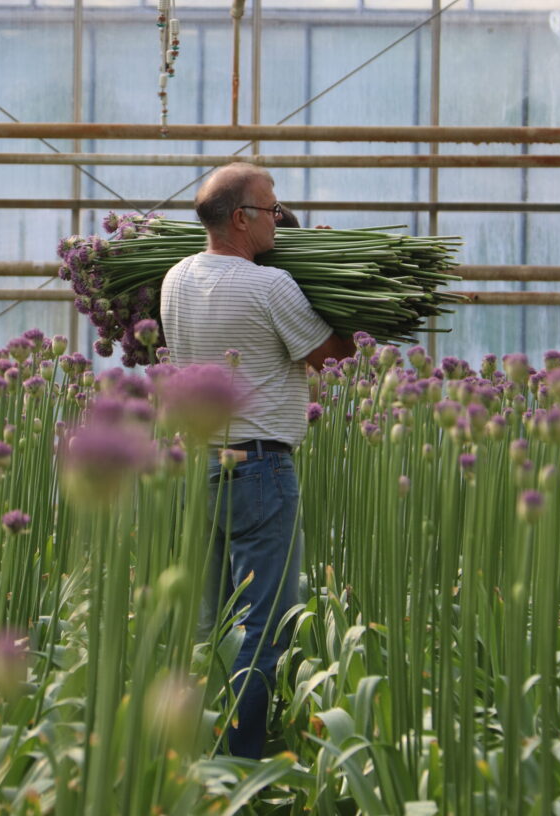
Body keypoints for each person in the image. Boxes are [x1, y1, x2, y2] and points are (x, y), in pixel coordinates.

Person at [160, 163, 353, 758]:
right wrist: (341, 290)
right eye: (271, 209)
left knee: (207, 626)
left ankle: (192, 753)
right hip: (261, 471)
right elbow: (332, 357)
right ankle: (240, 763)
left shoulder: (175, 277)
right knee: (262, 629)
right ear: (240, 218)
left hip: (201, 467)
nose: (278, 215)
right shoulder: (271, 286)